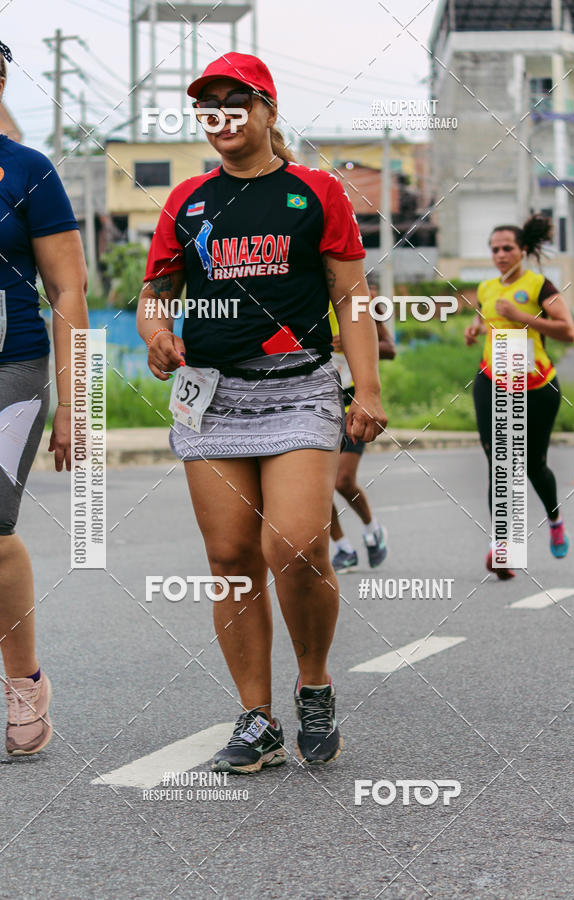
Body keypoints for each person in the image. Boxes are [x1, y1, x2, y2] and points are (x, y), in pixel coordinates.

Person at [137, 52, 387, 773]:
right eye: (208, 103)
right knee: (230, 558)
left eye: (235, 100)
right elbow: (157, 292)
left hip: (300, 384)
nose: (221, 114)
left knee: (299, 543)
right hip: (211, 396)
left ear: (269, 111)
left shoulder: (315, 192)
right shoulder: (186, 201)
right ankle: (258, 719)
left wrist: (365, 389)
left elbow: (351, 296)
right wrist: (157, 333)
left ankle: (314, 685)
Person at [0, 40, 89, 754]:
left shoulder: (28, 171)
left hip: (13, 369)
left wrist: (75, 406)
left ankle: (24, 681)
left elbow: (68, 290)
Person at [465, 214, 574, 579]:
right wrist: (475, 329)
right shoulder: (486, 288)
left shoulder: (540, 285)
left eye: (507, 248)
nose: (500, 254)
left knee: (532, 465)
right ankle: (503, 548)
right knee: (499, 463)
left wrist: (522, 317)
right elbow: (486, 319)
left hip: (537, 386)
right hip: (493, 379)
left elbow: (567, 331)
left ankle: (555, 519)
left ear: (522, 250)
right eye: (494, 249)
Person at [329, 278, 395, 572]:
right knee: (312, 488)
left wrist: (351, 343)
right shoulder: (305, 298)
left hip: (353, 402)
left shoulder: (366, 302)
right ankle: (342, 547)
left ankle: (372, 529)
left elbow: (390, 348)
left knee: (342, 480)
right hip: (315, 401)